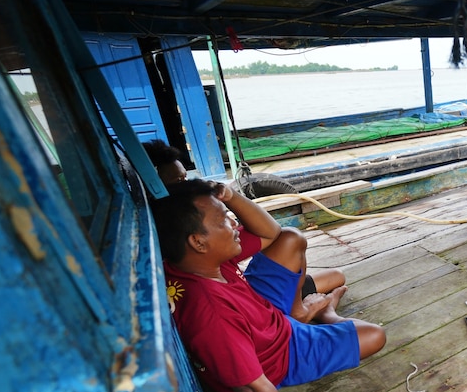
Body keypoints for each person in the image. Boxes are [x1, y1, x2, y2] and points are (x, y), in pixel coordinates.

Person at [151, 179, 386, 392]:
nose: (234, 223)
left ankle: (302, 310)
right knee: (375, 335)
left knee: (290, 239)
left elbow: (269, 233)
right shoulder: (212, 317)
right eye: (223, 220)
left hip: (261, 315)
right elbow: (253, 389)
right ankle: (327, 314)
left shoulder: (197, 262)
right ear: (198, 241)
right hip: (279, 351)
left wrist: (230, 196)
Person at [143, 138, 346, 322]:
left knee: (336, 276)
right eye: (179, 182)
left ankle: (303, 306)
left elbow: (270, 232)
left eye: (186, 178)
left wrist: (230, 195)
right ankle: (303, 313)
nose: (188, 186)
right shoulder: (184, 243)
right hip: (250, 311)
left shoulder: (206, 233)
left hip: (247, 290)